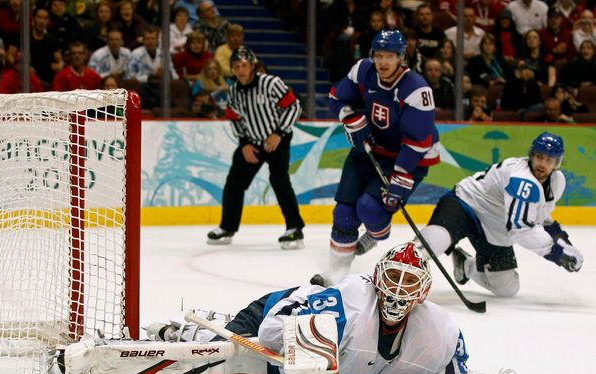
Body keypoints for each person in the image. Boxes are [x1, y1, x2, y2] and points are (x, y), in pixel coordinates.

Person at [143, 242, 555, 374]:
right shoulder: (348, 304)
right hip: (268, 317)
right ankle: (197, 330)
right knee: (227, 359)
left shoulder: (439, 331)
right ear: (377, 277)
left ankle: (207, 330)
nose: (397, 290)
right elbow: (270, 332)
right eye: (392, 277)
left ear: (424, 292)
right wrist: (310, 355)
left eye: (408, 282)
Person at [311, 30, 440, 287]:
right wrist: (349, 116)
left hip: (408, 157)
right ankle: (337, 273)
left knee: (370, 209)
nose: (383, 62)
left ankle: (375, 233)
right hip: (369, 148)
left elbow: (418, 141)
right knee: (344, 212)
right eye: (379, 55)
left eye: (389, 56)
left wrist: (401, 176)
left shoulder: (417, 89)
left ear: (401, 58)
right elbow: (337, 97)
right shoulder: (363, 71)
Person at [418, 132, 583, 298]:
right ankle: (400, 263)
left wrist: (565, 246)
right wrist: (557, 252)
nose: (542, 163)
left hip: (494, 228)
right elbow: (521, 230)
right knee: (434, 242)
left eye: (549, 160)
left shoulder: (556, 182)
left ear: (557, 163)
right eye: (539, 157)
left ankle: (465, 265)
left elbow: (543, 220)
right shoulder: (522, 178)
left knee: (507, 288)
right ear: (532, 155)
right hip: (465, 204)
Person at [206, 46, 304, 249]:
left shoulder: (270, 83)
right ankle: (227, 227)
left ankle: (295, 229)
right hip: (252, 143)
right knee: (234, 183)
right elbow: (234, 119)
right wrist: (244, 144)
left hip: (277, 140)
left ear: (252, 66)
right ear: (232, 69)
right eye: (236, 66)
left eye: (244, 65)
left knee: (279, 180)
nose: (241, 70)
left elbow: (294, 106)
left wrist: (279, 133)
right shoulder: (233, 91)